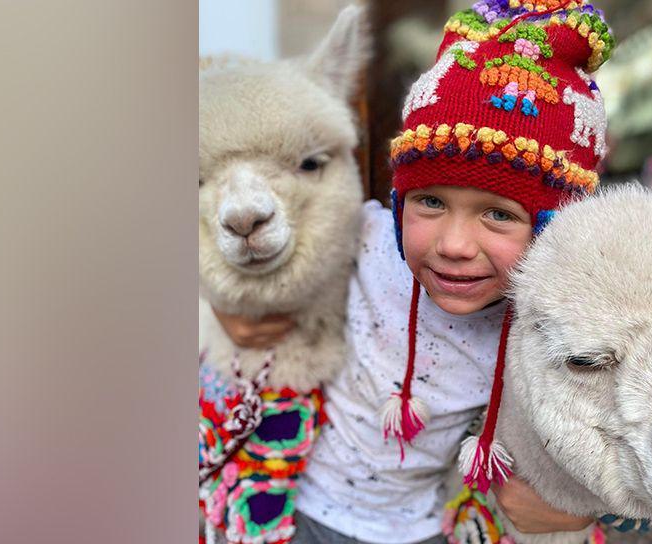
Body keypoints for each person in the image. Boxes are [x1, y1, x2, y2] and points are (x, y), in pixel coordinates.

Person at [213, 2, 615, 542]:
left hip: (421, 527)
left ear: (552, 226)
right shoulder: (368, 240)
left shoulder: (546, 326)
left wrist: (594, 511)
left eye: (498, 214)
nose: (452, 245)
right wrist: (221, 308)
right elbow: (255, 251)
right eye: (429, 202)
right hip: (299, 507)